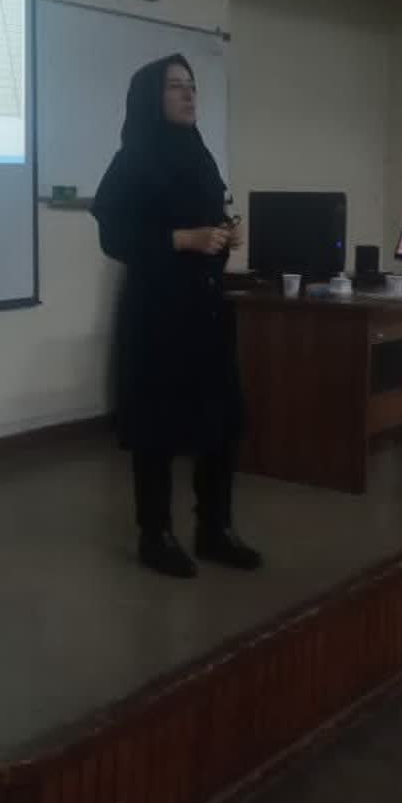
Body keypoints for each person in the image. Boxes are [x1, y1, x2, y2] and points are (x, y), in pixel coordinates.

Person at [91, 54, 264, 579]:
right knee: (157, 427)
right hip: (155, 313)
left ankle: (215, 529)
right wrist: (182, 239)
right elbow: (115, 236)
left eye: (192, 86)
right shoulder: (132, 159)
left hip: (204, 309)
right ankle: (156, 535)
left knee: (220, 421)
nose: (189, 95)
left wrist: (225, 233)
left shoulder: (199, 153)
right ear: (151, 96)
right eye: (175, 86)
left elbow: (210, 216)